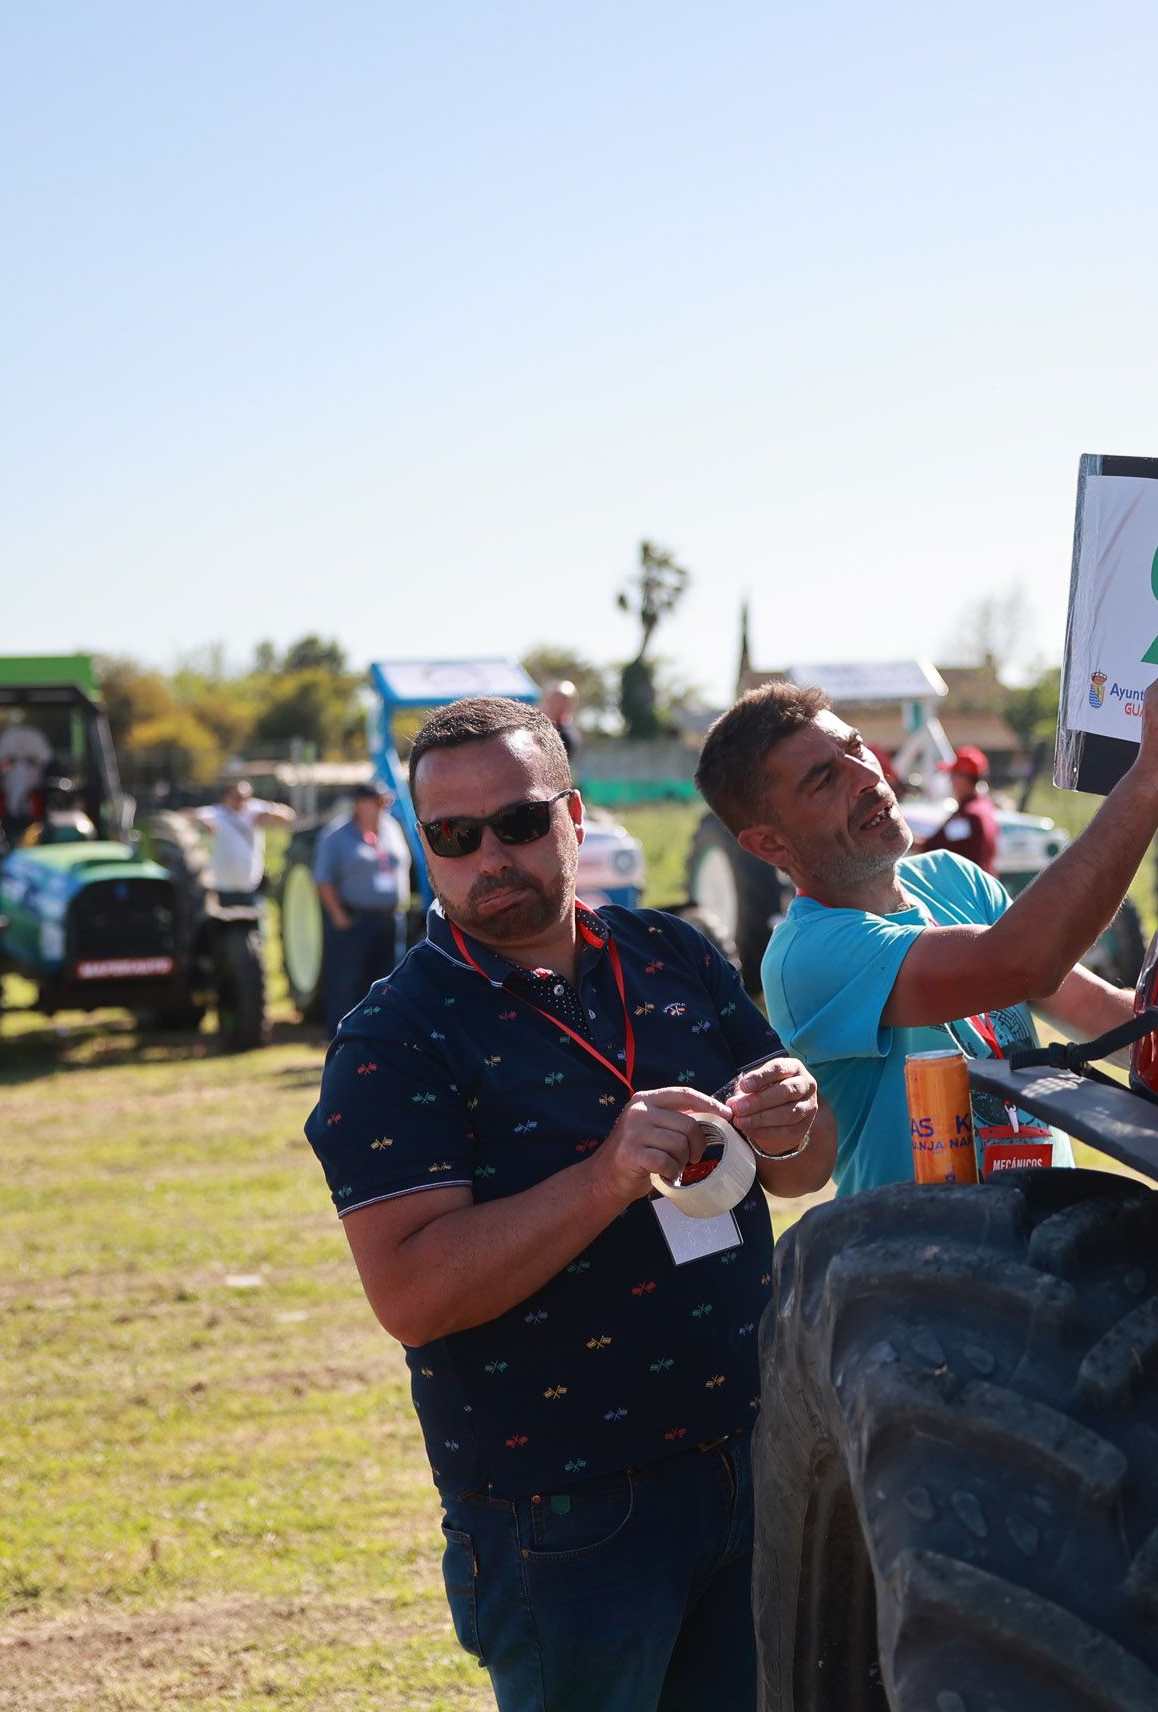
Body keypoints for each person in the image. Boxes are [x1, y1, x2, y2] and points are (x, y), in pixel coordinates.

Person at [306, 695, 831, 1712]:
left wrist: (793, 1120)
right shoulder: (396, 1038)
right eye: (454, 837)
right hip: (567, 1518)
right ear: (426, 848)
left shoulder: (669, 953)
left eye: (519, 822)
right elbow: (411, 1293)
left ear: (575, 818)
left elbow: (803, 1169)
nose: (489, 857)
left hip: (755, 1456)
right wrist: (604, 1179)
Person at [692, 639, 1158, 1195]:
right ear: (769, 844)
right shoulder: (805, 956)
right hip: (932, 1265)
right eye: (823, 780)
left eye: (857, 748)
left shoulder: (955, 878)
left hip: (1050, 1240)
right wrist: (1150, 776)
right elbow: (1021, 961)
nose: (866, 777)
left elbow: (1100, 1013)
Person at [314, 782, 410, 1032]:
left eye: (385, 802)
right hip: (355, 920)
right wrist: (338, 915)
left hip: (390, 919)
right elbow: (323, 879)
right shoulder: (336, 836)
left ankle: (380, 1035)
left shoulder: (391, 829)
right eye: (378, 802)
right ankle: (342, 1038)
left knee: (386, 981)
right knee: (347, 983)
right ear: (360, 804)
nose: (384, 807)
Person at [196, 777, 295, 905]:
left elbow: (289, 816)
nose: (243, 802)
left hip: (251, 885)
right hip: (223, 885)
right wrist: (203, 824)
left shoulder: (255, 810)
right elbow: (190, 817)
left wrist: (269, 810)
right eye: (238, 797)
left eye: (247, 798)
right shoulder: (215, 813)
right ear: (226, 797)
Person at [913, 743, 1000, 875]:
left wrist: (898, 841)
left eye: (952, 775)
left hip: (967, 891)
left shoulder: (969, 816)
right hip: (982, 887)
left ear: (963, 779)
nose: (950, 781)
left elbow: (932, 848)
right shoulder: (984, 807)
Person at [540, 679, 584, 763]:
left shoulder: (567, 736)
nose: (551, 704)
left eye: (558, 701)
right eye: (552, 699)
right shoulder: (543, 725)